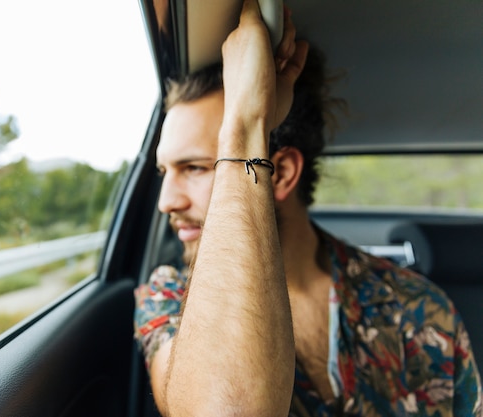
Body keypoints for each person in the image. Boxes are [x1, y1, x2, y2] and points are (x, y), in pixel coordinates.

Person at [134, 0, 482, 415]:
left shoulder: (417, 305)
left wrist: (244, 131)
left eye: (194, 167)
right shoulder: (169, 297)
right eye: (164, 172)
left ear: (279, 174)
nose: (166, 201)